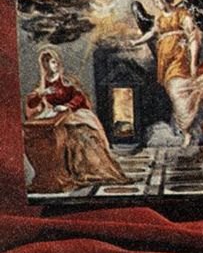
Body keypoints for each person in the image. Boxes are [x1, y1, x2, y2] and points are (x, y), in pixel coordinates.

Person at [130, 0, 203, 149]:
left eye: (158, 1)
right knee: (175, 93)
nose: (157, 4)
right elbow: (152, 33)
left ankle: (186, 130)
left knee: (177, 91)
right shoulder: (160, 17)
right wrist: (137, 41)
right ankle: (186, 128)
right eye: (155, 2)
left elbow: (193, 36)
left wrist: (193, 62)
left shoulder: (182, 14)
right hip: (165, 61)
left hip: (180, 56)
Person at [25, 48, 128, 189]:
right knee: (51, 138)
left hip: (74, 114)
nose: (51, 66)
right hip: (56, 117)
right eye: (47, 63)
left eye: (53, 62)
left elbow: (79, 97)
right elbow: (31, 103)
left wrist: (67, 106)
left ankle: (90, 172)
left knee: (82, 136)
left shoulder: (67, 81)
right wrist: (41, 94)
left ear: (58, 62)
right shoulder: (43, 85)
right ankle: (58, 176)